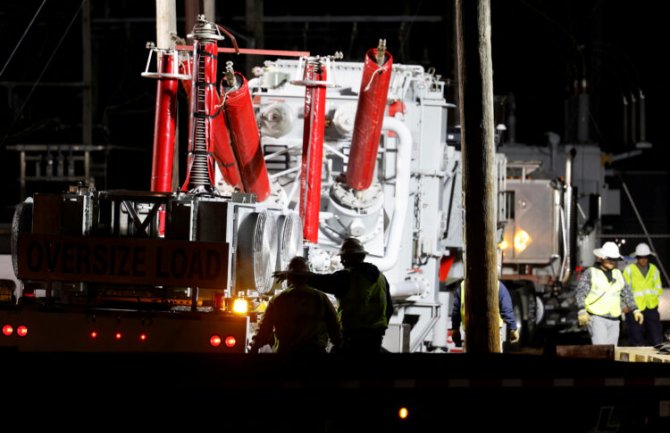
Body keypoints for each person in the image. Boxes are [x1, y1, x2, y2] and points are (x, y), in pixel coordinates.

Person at [274, 237, 393, 353]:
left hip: (353, 338)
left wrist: (291, 274)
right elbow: (389, 308)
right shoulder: (381, 278)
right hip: (375, 339)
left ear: (349, 258)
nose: (341, 261)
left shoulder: (347, 277)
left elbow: (320, 280)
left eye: (343, 257)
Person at [249, 256, 343, 354]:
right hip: (314, 355)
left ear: (289, 277)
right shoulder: (320, 298)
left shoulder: (278, 299)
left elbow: (264, 329)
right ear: (307, 277)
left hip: (286, 354)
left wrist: (254, 348)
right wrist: (339, 345)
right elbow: (334, 327)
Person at [575, 241, 643, 345]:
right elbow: (581, 291)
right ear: (601, 257)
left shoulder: (618, 274)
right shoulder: (591, 272)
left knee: (612, 352)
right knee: (601, 351)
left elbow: (627, 293)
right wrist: (581, 310)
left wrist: (635, 309)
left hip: (615, 320)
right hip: (596, 318)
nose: (612, 261)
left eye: (614, 259)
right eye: (609, 258)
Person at [450, 279, 520, 351]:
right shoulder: (498, 285)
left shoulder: (463, 285)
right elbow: (507, 309)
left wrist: (455, 329)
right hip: (493, 334)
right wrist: (513, 328)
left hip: (471, 334)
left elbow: (456, 310)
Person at [623, 242, 663, 346]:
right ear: (637, 257)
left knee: (656, 338)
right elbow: (624, 290)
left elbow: (658, 287)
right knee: (637, 340)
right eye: (641, 257)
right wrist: (626, 305)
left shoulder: (654, 269)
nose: (643, 259)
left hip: (651, 308)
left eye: (646, 257)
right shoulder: (629, 270)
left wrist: (653, 298)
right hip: (634, 309)